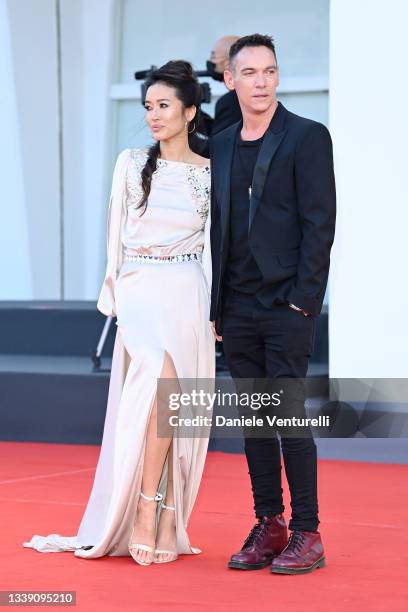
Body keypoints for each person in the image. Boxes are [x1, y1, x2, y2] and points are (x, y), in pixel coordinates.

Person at [23, 60, 215, 566]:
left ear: (190, 112)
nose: (153, 115)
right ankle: (149, 508)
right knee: (162, 382)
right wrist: (116, 298)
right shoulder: (131, 163)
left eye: (164, 106)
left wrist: (216, 309)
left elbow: (216, 246)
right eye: (148, 107)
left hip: (187, 292)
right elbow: (115, 240)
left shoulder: (212, 171)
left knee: (176, 402)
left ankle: (170, 512)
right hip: (140, 290)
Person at [210, 34, 336, 574]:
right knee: (254, 421)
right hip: (236, 307)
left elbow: (320, 224)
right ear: (231, 80)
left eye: (270, 71)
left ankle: (307, 530)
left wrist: (304, 303)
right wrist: (217, 306)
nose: (262, 82)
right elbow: (218, 227)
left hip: (287, 305)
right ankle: (270, 523)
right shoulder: (219, 142)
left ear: (277, 77)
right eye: (251, 73)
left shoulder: (307, 137)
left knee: (288, 417)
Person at [207, 36, 242, 135]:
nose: (211, 61)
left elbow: (218, 144)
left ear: (228, 64)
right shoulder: (240, 97)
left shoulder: (231, 102)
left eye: (213, 57)